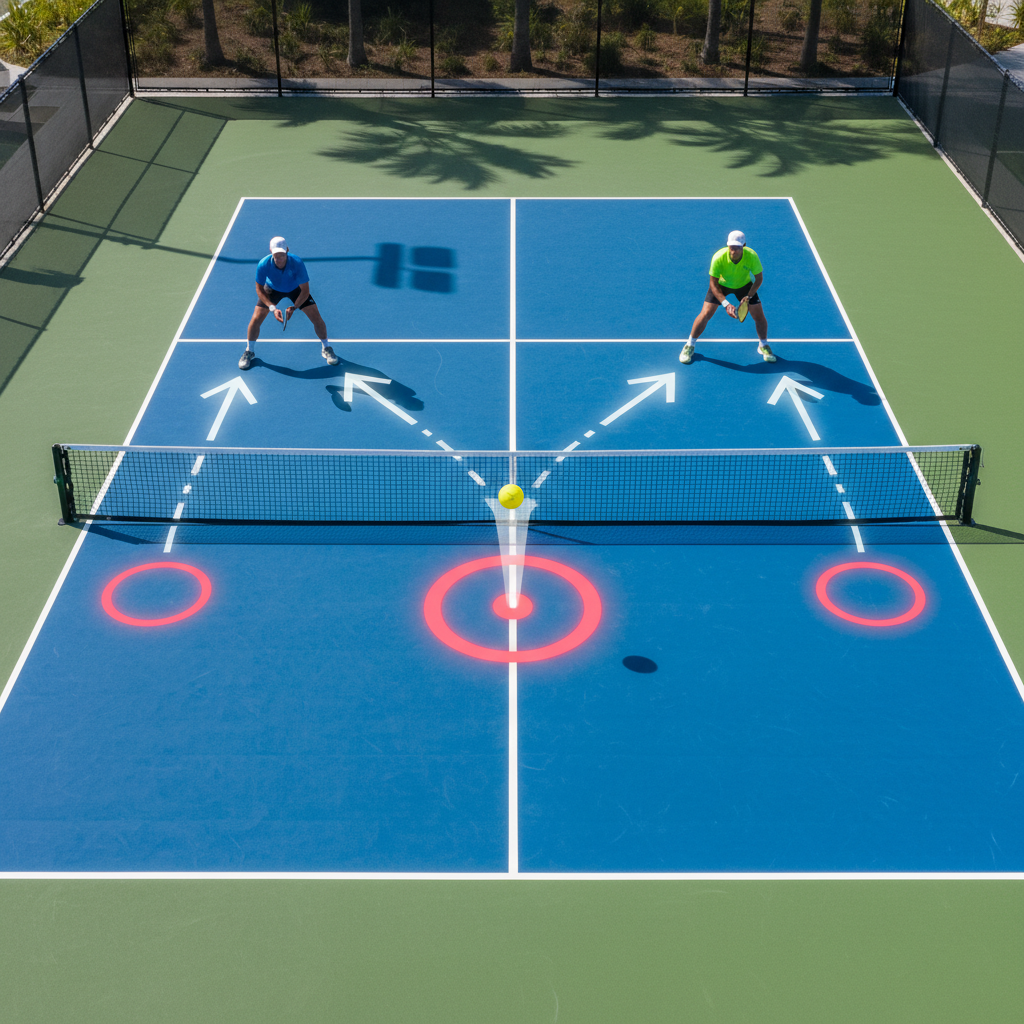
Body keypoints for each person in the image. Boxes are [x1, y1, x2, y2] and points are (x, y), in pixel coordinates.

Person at [239, 236, 340, 371]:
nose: (279, 258)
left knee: (316, 317)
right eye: (276, 254)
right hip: (272, 289)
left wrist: (294, 307)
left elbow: (305, 290)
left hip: (295, 290)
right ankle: (249, 351)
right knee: (256, 318)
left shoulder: (297, 263)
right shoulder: (263, 264)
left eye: (282, 254)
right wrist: (272, 308)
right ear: (270, 251)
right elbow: (259, 289)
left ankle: (326, 347)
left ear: (287, 250)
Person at [679, 230, 776, 365]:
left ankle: (763, 345)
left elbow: (759, 278)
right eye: (731, 247)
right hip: (721, 285)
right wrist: (725, 303)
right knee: (706, 313)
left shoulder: (752, 256)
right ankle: (689, 345)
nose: (733, 251)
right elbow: (713, 283)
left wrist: (748, 296)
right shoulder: (718, 257)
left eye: (737, 248)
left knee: (759, 316)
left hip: (744, 286)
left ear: (744, 246)